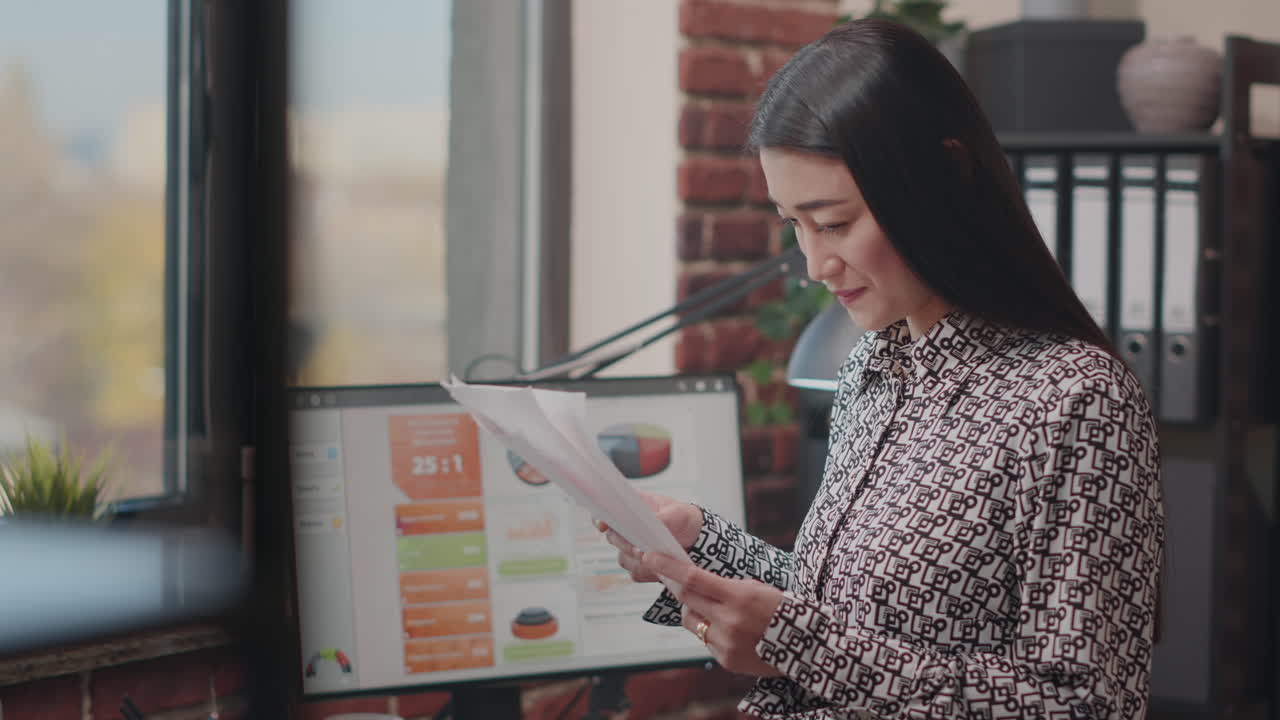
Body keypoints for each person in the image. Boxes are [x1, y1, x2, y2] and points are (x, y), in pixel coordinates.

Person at [597, 18, 1165, 720]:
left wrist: (799, 645)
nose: (814, 264)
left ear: (945, 178)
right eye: (793, 224)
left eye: (832, 222)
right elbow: (860, 619)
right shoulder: (873, 368)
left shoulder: (1074, 400)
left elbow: (1085, 705)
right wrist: (701, 547)